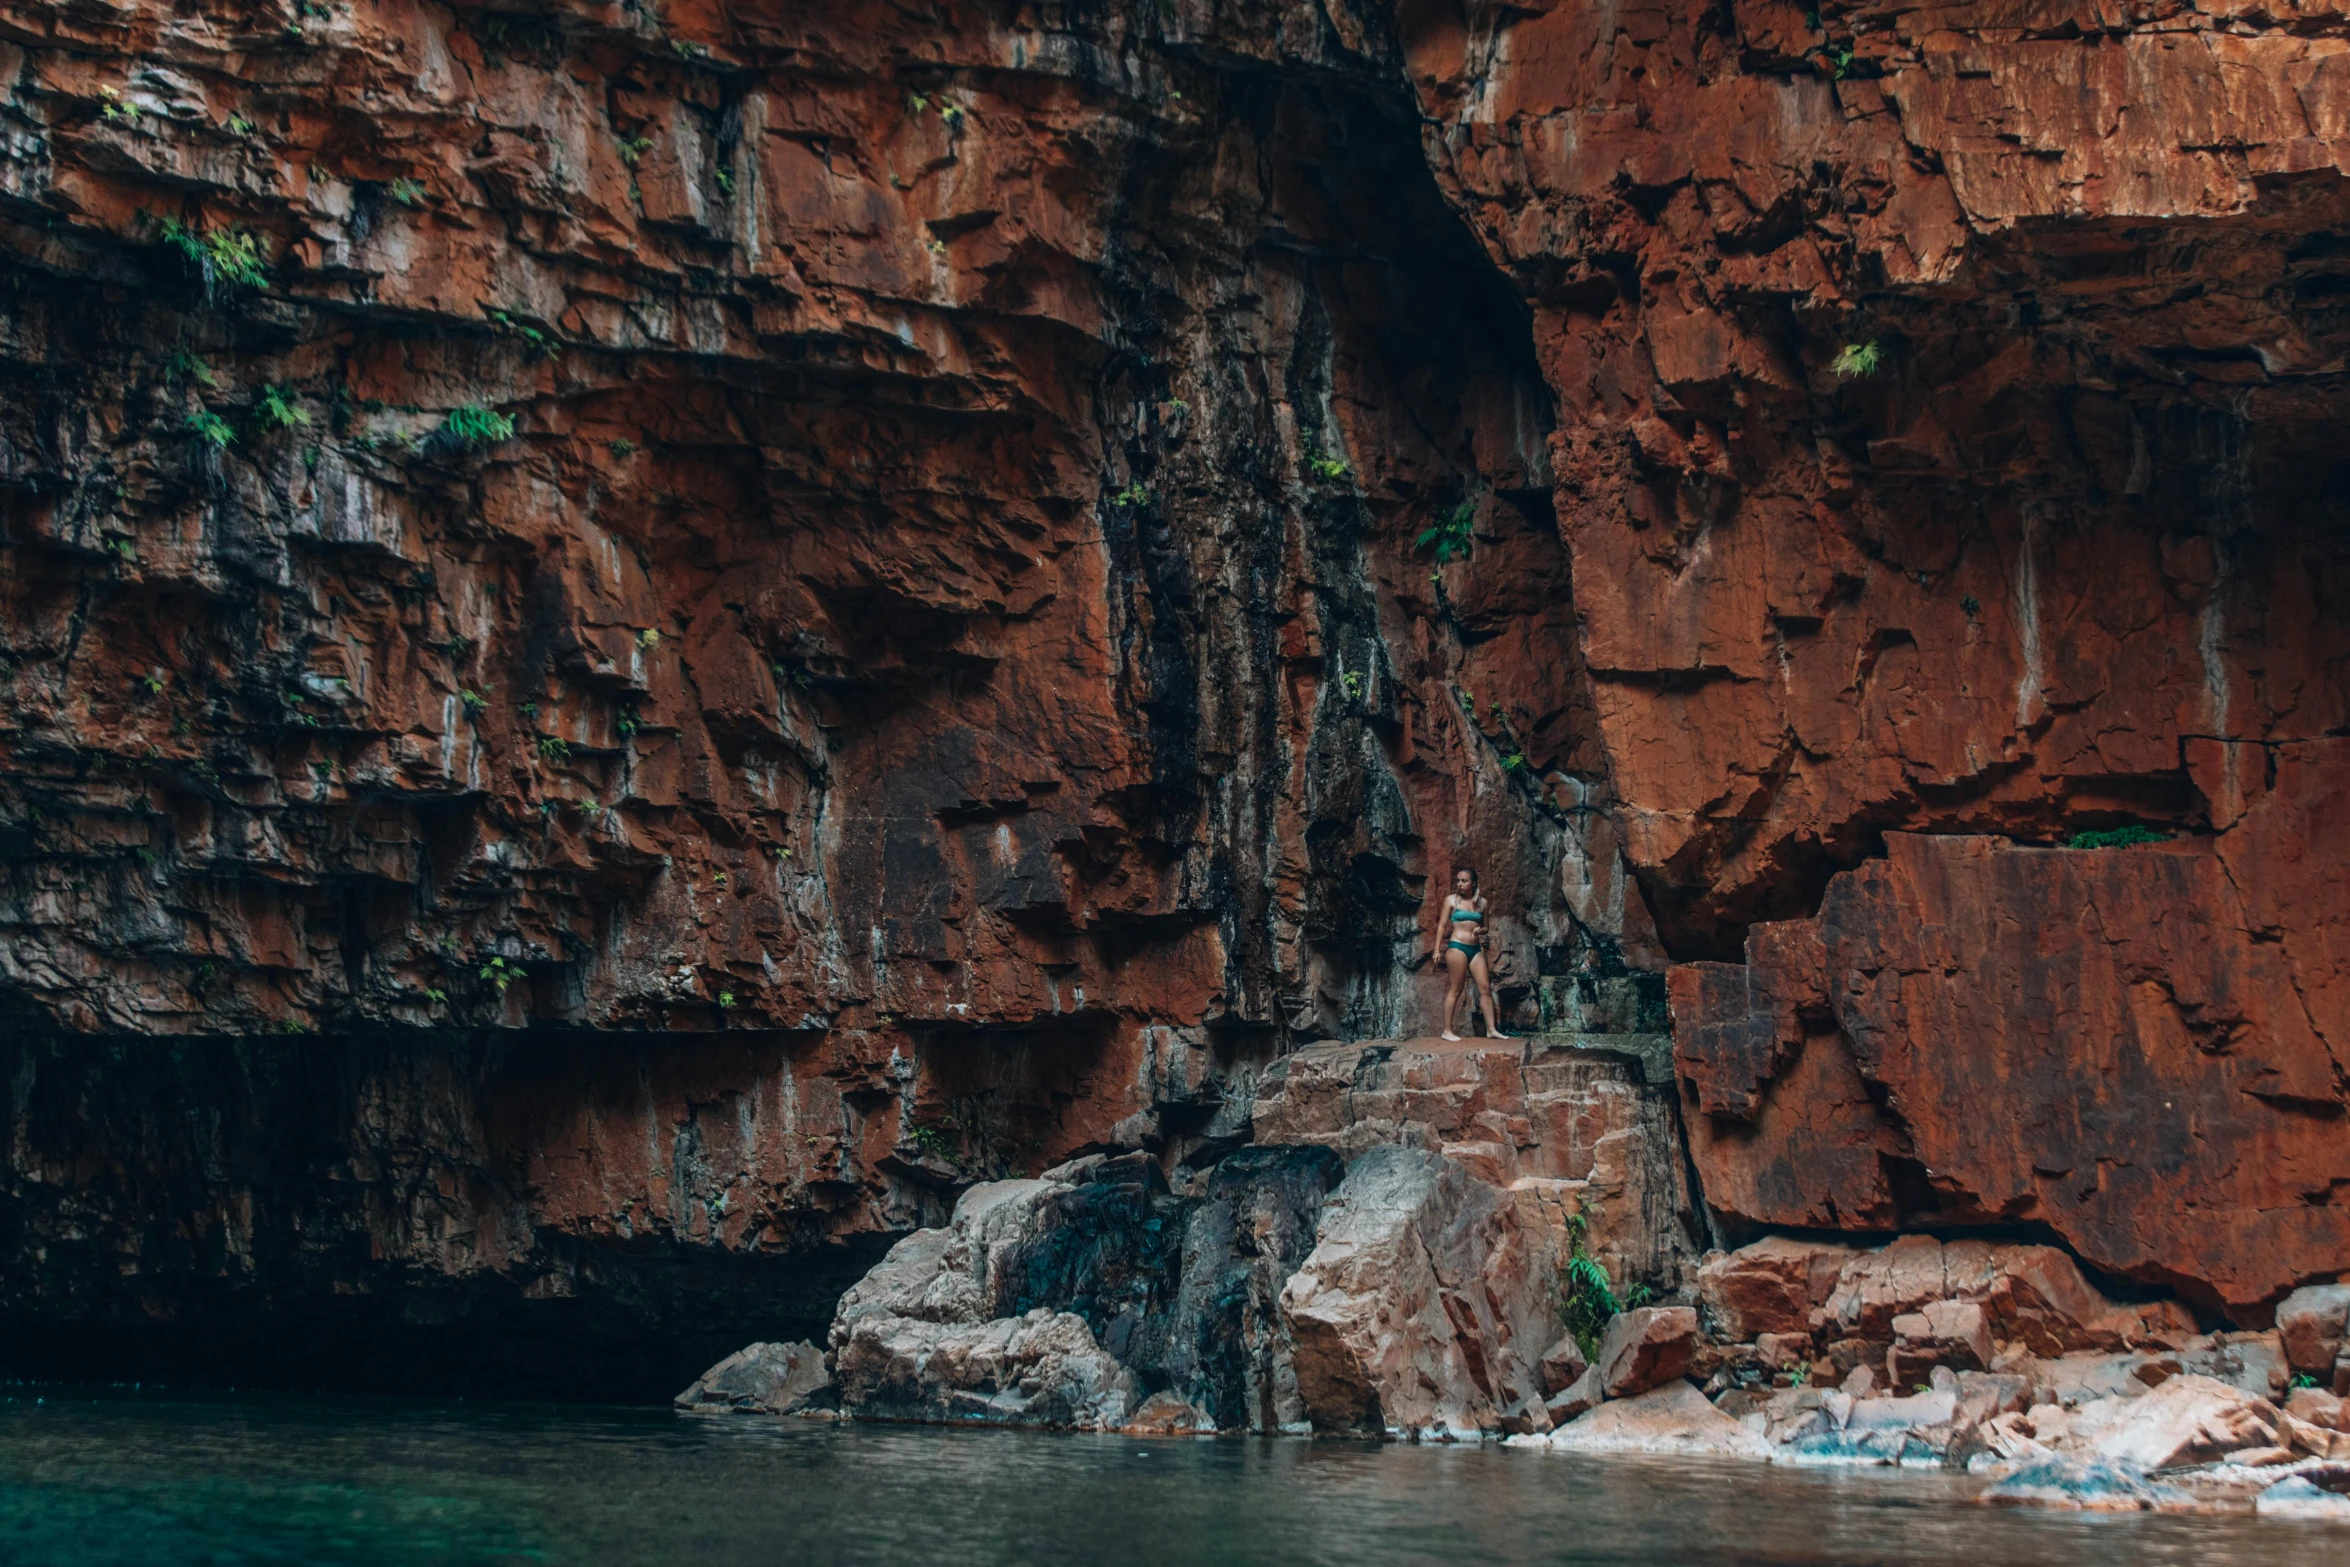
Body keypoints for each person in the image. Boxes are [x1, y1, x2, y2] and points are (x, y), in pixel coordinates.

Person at [1435, 866, 1504, 1042]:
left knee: (1485, 988)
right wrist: (1436, 950)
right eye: (1458, 880)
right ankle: (1447, 1030)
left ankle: (1491, 1029)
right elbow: (1442, 926)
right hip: (1457, 946)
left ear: (1473, 883)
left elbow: (1486, 926)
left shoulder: (1482, 903)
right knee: (1456, 989)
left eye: (1464, 881)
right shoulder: (1451, 901)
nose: (1459, 884)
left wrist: (1482, 930)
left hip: (1475, 949)